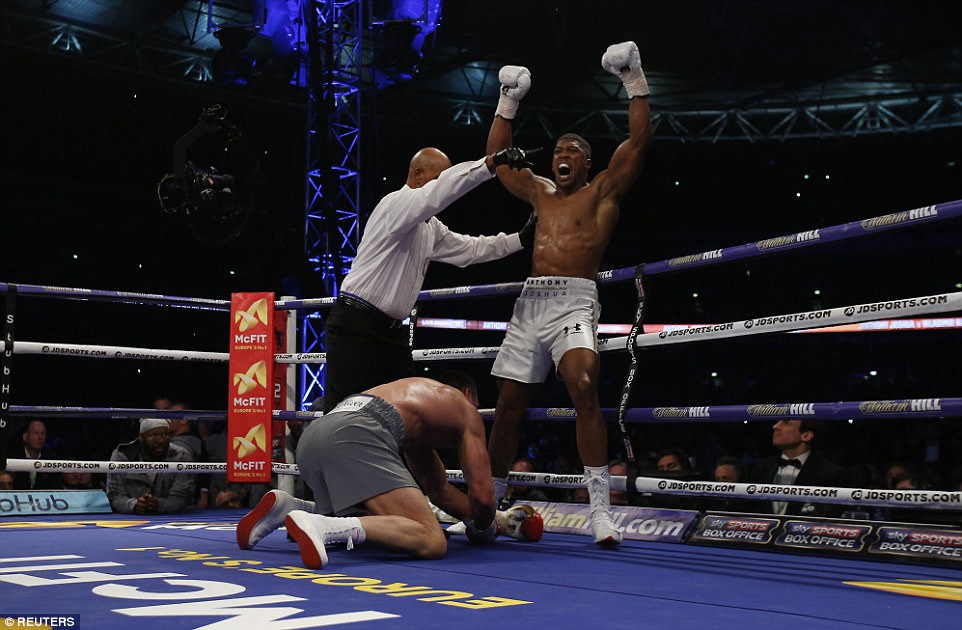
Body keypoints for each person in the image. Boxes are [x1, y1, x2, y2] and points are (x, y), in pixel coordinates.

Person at [484, 41, 653, 547]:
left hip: (576, 300)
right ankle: (488, 507)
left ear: (586, 162)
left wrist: (634, 79)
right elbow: (496, 160)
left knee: (583, 383)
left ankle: (601, 510)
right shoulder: (538, 191)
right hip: (531, 300)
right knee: (508, 404)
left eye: (572, 151)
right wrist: (507, 103)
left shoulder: (602, 192)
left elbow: (640, 143)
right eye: (557, 149)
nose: (561, 155)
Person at [236, 377, 541, 569]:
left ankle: (290, 508)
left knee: (378, 523)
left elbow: (438, 491)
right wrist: (487, 528)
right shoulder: (465, 410)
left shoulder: (416, 414)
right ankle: (321, 525)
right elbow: (483, 496)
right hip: (354, 435)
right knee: (431, 540)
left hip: (316, 436)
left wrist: (497, 521)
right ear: (468, 393)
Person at [322, 147, 537, 412]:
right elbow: (440, 192)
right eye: (440, 177)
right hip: (357, 327)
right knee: (343, 415)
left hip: (392, 335)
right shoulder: (395, 205)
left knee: (407, 417)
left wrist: (519, 240)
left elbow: (469, 250)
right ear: (417, 175)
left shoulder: (430, 226)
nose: (445, 186)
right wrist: (490, 163)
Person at [748, 420, 848, 517]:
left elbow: (826, 514)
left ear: (806, 435)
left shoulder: (830, 473)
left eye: (786, 423)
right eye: (778, 421)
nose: (776, 426)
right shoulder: (761, 467)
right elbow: (748, 507)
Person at [106, 418, 196, 514]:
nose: (161, 441)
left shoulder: (180, 456)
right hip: (131, 519)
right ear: (141, 437)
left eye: (165, 435)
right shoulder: (122, 455)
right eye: (154, 435)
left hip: (169, 518)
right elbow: (115, 496)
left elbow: (181, 498)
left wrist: (159, 505)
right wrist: (134, 505)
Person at [11, 419, 61, 490]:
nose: (40, 437)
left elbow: (56, 488)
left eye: (43, 433)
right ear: (25, 436)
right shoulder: (13, 457)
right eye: (36, 433)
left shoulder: (52, 458)